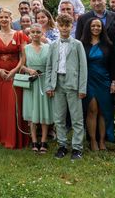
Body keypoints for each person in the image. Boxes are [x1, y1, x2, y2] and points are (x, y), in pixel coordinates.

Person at [45, 13, 87, 160]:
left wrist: (82, 88)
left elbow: (83, 67)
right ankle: (62, 145)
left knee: (76, 118)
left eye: (67, 25)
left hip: (73, 84)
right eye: (61, 25)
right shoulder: (53, 45)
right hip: (57, 84)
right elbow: (49, 66)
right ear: (57, 25)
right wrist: (49, 85)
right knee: (59, 117)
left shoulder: (77, 44)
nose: (64, 28)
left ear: (71, 26)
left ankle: (77, 147)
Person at [0, 8, 29, 149]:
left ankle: (13, 136)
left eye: (6, 17)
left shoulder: (19, 35)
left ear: (11, 19)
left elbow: (23, 56)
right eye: (1, 17)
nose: (4, 20)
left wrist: (14, 71)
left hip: (15, 74)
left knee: (13, 104)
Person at [80, 18, 115, 150]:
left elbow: (113, 65)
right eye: (93, 26)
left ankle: (102, 140)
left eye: (99, 26)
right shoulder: (82, 44)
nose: (96, 28)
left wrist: (113, 82)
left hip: (104, 80)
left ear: (102, 28)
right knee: (92, 109)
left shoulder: (108, 44)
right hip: (88, 80)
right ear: (88, 27)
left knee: (103, 111)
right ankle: (93, 140)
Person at [22, 23, 53, 153]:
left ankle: (44, 140)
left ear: (42, 34)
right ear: (29, 34)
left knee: (45, 110)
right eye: (33, 32)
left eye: (38, 32)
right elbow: (21, 66)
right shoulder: (25, 48)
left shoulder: (48, 47)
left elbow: (51, 67)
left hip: (44, 81)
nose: (35, 34)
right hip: (32, 83)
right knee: (32, 110)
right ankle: (34, 140)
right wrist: (28, 70)